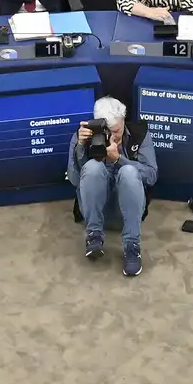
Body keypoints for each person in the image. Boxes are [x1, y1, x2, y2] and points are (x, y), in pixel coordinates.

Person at [67, 97, 159, 277]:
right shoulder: (84, 136)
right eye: (108, 132)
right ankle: (93, 236)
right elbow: (74, 180)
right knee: (93, 167)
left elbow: (151, 176)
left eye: (116, 131)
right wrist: (80, 147)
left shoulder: (139, 134)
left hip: (128, 212)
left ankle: (132, 246)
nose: (113, 137)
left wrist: (119, 159)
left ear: (124, 120)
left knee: (129, 172)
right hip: (95, 211)